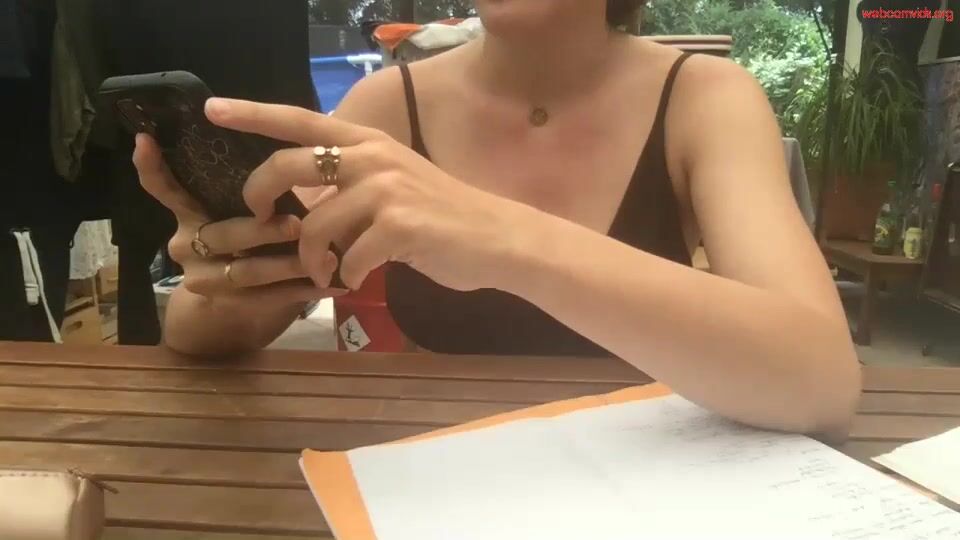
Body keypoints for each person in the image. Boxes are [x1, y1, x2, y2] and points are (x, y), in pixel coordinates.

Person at [134, 0, 861, 437]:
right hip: (440, 488)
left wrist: (500, 237)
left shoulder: (707, 97)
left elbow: (820, 379)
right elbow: (199, 335)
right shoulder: (387, 104)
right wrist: (221, 259)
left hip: (657, 484)